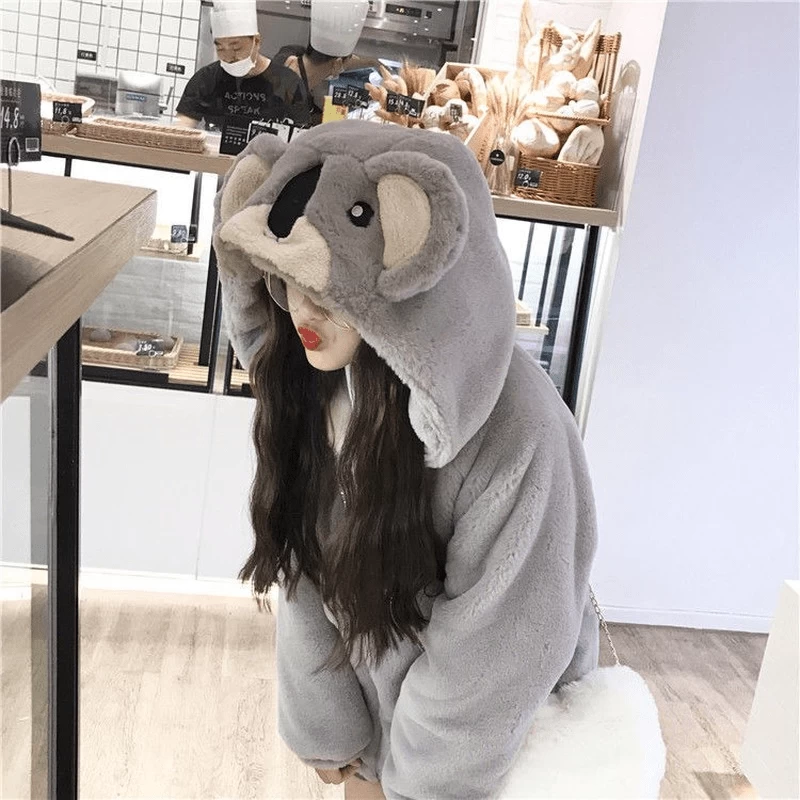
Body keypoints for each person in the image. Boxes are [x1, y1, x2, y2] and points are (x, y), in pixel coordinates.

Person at [212, 123, 600, 799]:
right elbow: (306, 570)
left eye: (332, 287)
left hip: (492, 758)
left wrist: (412, 786)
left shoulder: (522, 433)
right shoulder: (322, 387)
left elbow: (498, 654)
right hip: (391, 739)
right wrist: (336, 735)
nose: (302, 307)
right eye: (288, 277)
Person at [175, 0, 308, 130]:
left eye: (236, 48)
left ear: (257, 41)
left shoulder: (288, 81)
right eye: (220, 48)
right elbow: (183, 126)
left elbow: (300, 135)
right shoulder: (206, 79)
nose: (228, 57)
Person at [271, 0, 369, 126]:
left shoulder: (289, 52)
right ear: (337, 64)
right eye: (346, 63)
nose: (344, 69)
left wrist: (374, 63)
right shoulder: (296, 104)